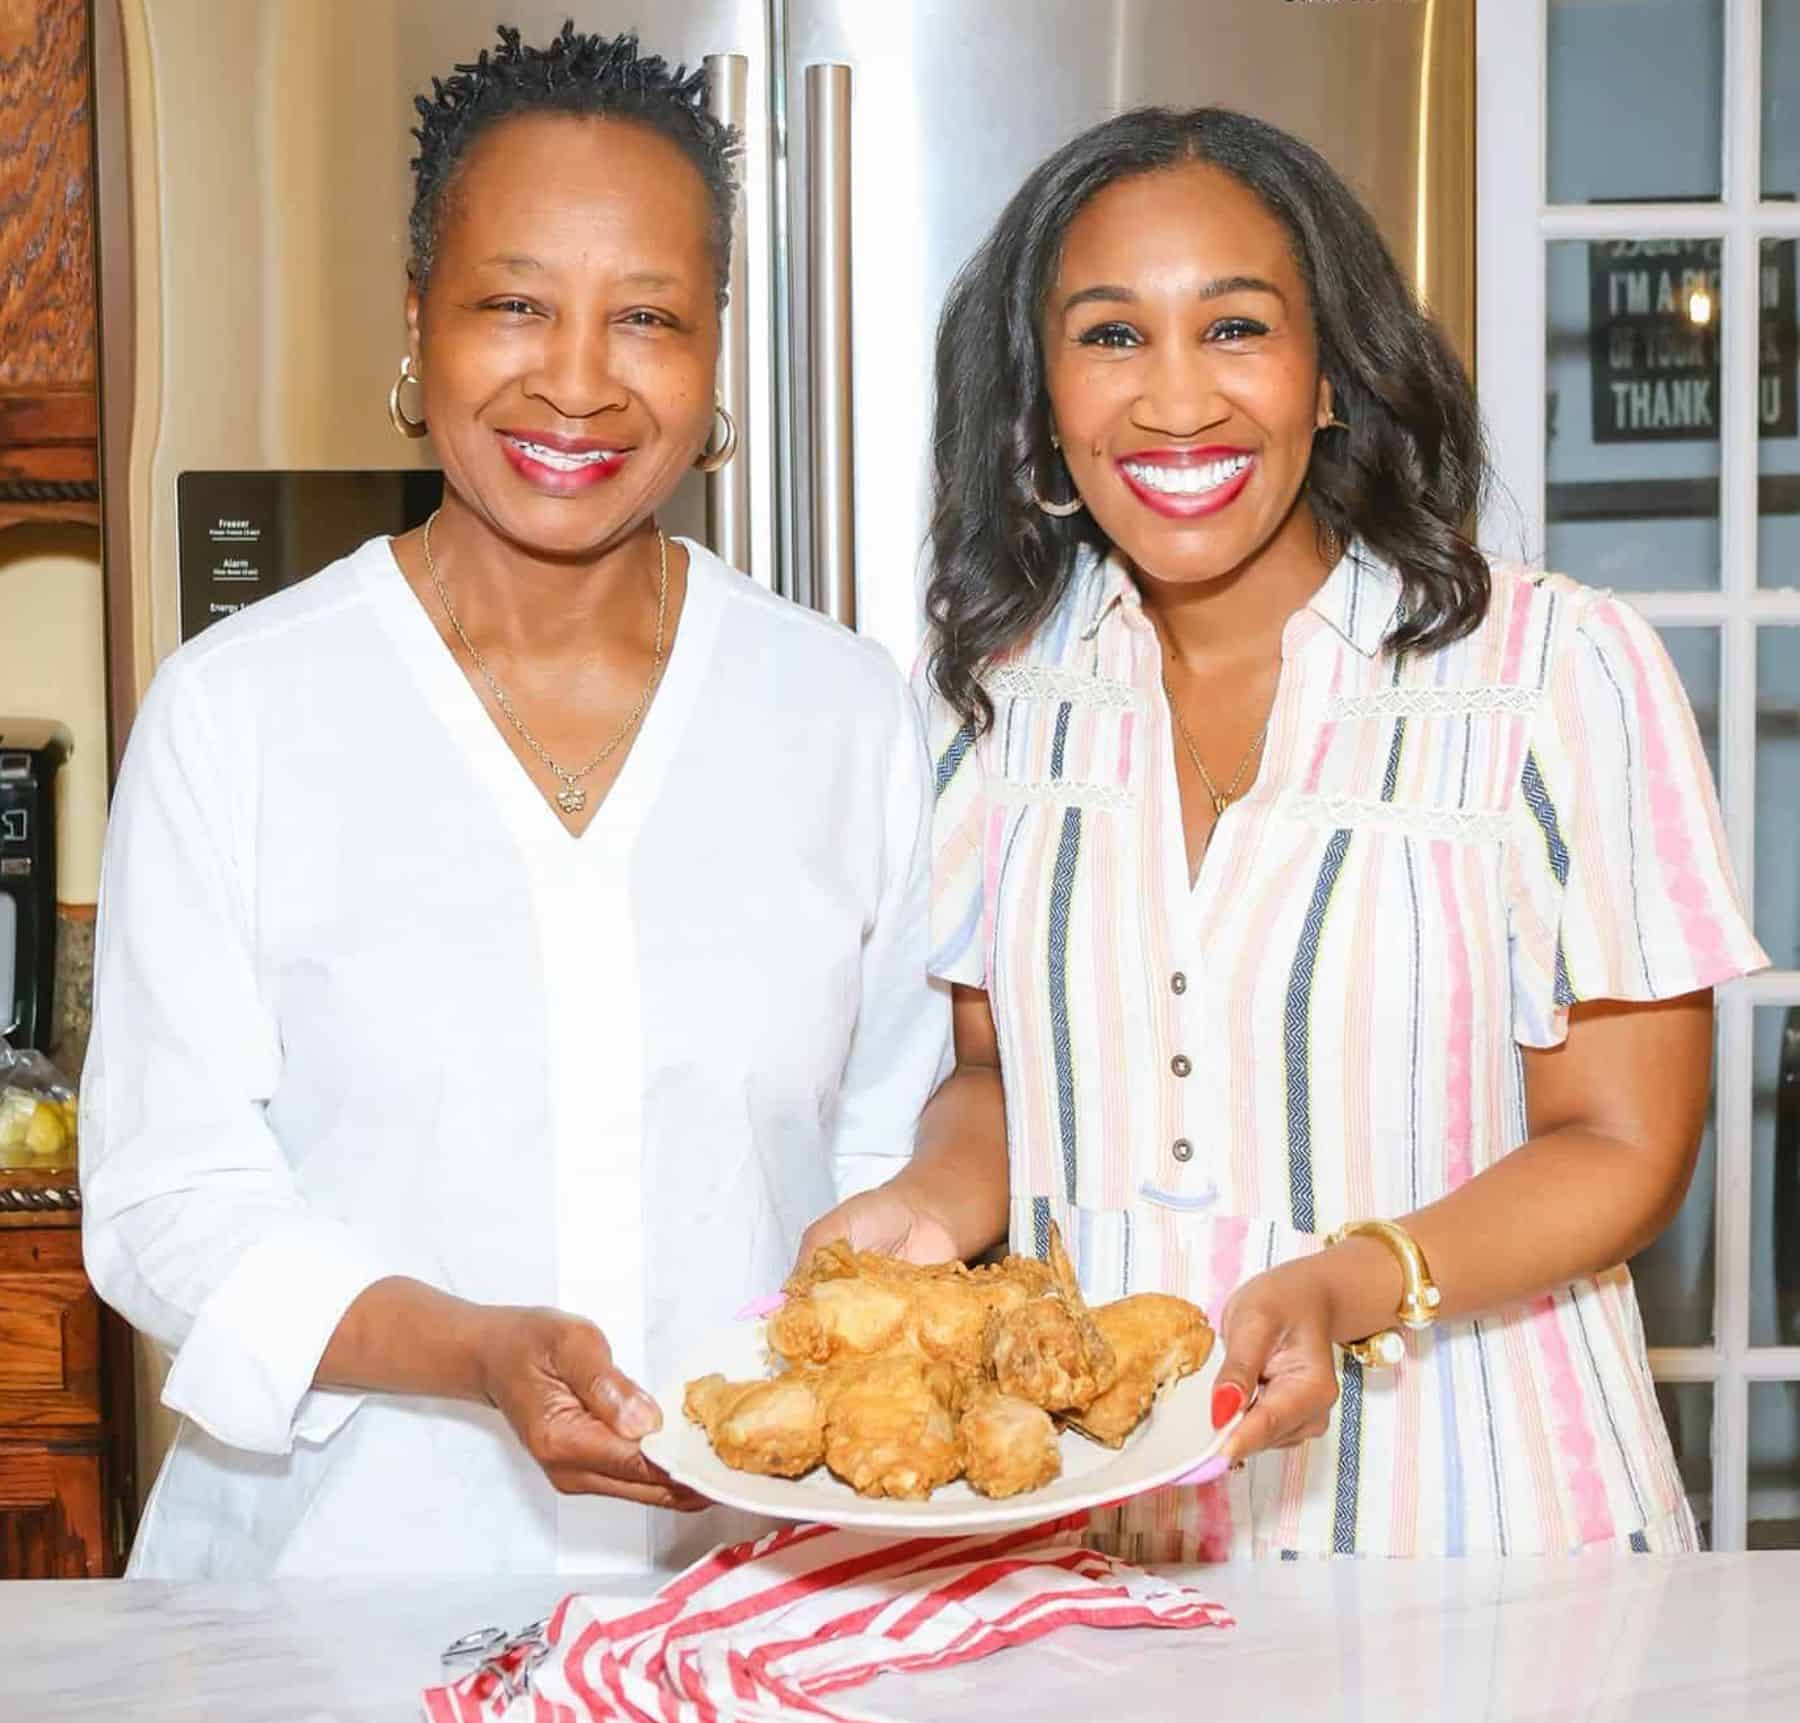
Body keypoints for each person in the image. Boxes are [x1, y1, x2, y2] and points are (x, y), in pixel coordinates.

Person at [802, 107, 1767, 1558]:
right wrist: (926, 1208)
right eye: (1112, 337)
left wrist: (1352, 1282)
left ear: (1330, 377)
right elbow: (1003, 1083)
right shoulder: (997, 706)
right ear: (1043, 396)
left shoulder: (1552, 674)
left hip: (1490, 1525)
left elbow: (1625, 1141)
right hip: (1117, 1535)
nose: (1176, 403)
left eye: (1237, 328)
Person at [81, 25, 946, 1578]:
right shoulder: (243, 710)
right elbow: (165, 1198)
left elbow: (896, 1153)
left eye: (649, 319)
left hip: (743, 1608)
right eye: (515, 304)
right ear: (417, 321)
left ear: (718, 351)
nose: (577, 379)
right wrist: (467, 1349)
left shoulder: (844, 716)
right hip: (327, 1612)